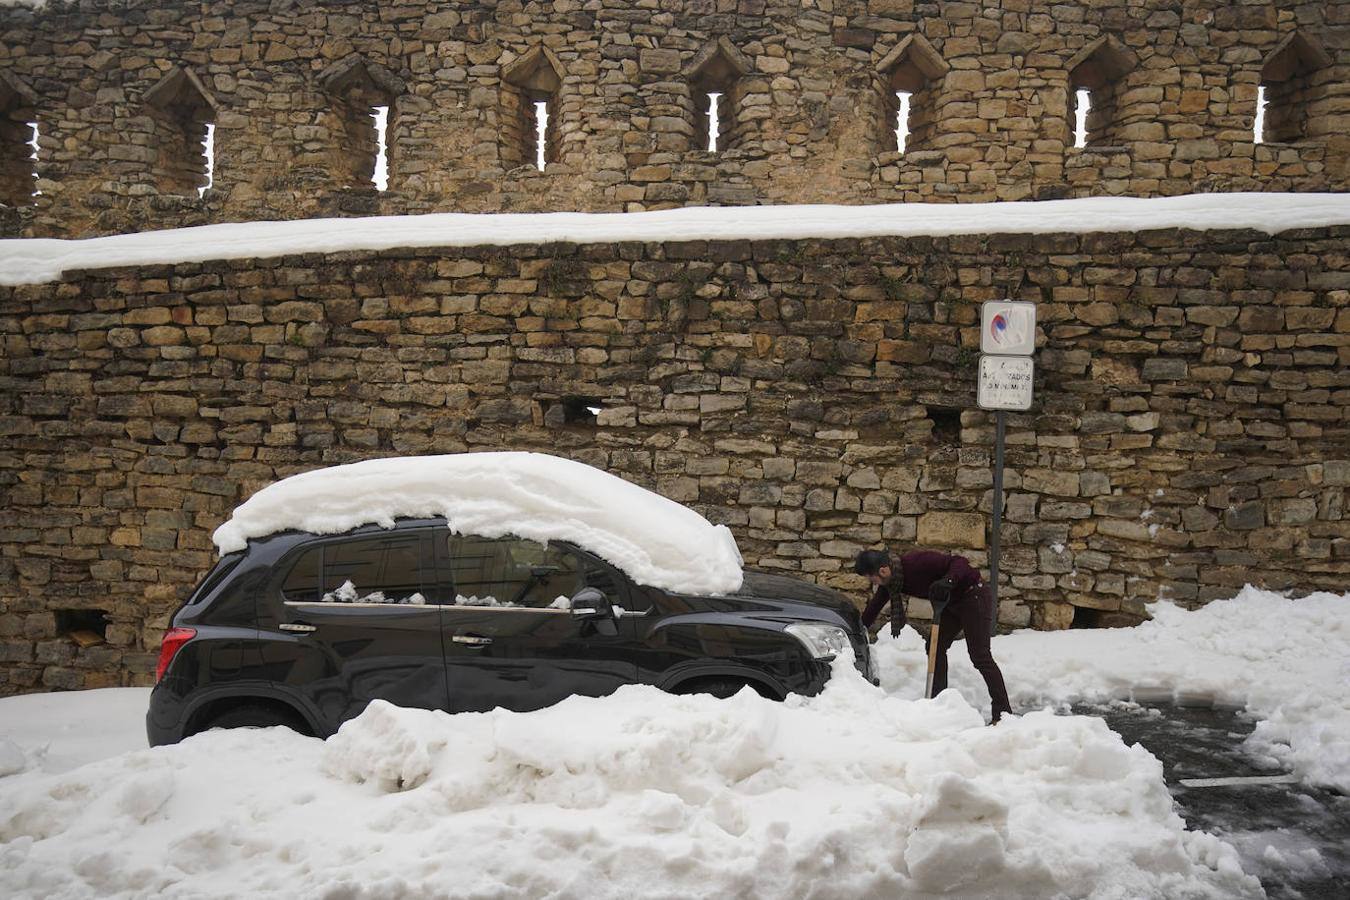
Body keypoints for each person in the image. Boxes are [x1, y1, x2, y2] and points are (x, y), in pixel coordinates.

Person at [854, 547, 1012, 724]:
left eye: (871, 577)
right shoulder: (892, 583)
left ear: (882, 570)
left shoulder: (917, 562)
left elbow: (959, 562)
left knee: (980, 656)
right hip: (951, 604)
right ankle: (939, 701)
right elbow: (874, 607)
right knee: (935, 648)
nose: (873, 582)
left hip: (973, 596)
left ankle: (1003, 712)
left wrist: (948, 580)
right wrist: (856, 629)